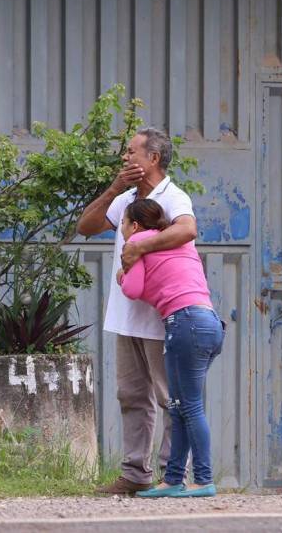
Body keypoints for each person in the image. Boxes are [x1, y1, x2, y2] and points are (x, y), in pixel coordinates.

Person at [77, 128, 197, 495]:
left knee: (168, 398)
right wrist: (113, 188)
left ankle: (172, 476)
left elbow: (187, 230)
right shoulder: (127, 198)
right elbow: (86, 226)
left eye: (131, 152)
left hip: (160, 315)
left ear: (153, 159)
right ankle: (134, 473)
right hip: (125, 314)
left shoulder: (173, 197)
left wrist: (139, 249)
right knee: (131, 395)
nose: (125, 158)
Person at [118, 199, 224, 498]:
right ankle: (173, 479)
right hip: (209, 323)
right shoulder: (179, 244)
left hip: (185, 323)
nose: (123, 231)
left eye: (123, 224)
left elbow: (133, 289)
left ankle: (203, 479)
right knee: (178, 406)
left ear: (135, 225)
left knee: (189, 406)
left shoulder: (138, 241)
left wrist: (123, 275)